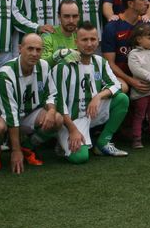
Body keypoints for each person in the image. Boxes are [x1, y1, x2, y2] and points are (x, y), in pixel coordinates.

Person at [53, 23, 131, 160]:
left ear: (98, 41)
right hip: (72, 119)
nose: (89, 44)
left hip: (91, 112)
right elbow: (59, 103)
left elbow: (116, 85)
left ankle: (103, 143)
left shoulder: (100, 62)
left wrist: (99, 96)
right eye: (84, 40)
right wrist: (72, 130)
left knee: (122, 99)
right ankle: (61, 141)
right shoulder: (63, 67)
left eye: (93, 39)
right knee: (80, 158)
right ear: (76, 42)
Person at [0, 34, 60, 172]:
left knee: (57, 119)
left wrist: (51, 110)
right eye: (30, 49)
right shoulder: (5, 74)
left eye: (38, 50)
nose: (34, 53)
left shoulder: (43, 66)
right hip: (0, 115)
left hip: (28, 112)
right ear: (20, 48)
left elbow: (51, 94)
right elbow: (10, 113)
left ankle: (28, 147)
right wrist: (15, 150)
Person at [102, 0, 150, 98]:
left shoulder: (147, 25)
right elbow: (109, 64)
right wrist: (131, 80)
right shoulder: (112, 27)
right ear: (130, 4)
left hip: (143, 78)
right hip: (121, 79)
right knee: (123, 89)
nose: (147, 3)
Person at [124, 22, 150, 148]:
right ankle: (136, 138)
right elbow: (136, 70)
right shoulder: (133, 54)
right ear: (138, 39)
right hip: (141, 93)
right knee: (139, 115)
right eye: (149, 38)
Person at [42, 0, 82, 64]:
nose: (71, 20)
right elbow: (43, 65)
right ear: (59, 17)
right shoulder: (48, 35)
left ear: (79, 17)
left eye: (74, 16)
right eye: (66, 16)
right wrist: (59, 54)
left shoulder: (81, 36)